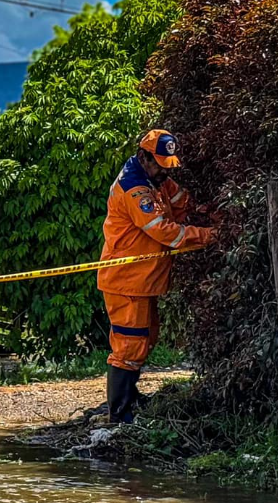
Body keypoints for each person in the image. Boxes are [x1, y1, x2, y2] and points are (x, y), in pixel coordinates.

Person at [98, 130, 215, 424]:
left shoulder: (155, 178)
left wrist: (207, 212)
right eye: (160, 163)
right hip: (127, 281)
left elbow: (181, 201)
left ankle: (131, 397)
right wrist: (211, 235)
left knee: (146, 338)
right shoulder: (134, 189)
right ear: (144, 156)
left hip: (143, 280)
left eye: (168, 164)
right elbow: (165, 232)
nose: (165, 169)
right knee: (129, 346)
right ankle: (120, 414)